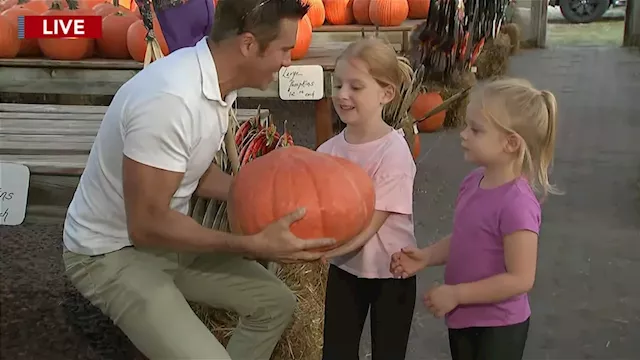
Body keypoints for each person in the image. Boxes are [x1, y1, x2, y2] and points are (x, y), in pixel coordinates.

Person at [61, 1, 335, 359]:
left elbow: (193, 168)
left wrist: (258, 193)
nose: (288, 61)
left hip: (158, 241)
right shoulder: (170, 101)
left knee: (276, 304)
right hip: (109, 254)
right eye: (284, 49)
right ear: (248, 45)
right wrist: (252, 245)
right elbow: (145, 225)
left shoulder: (218, 83)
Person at [390, 78, 561, 360]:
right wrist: (426, 256)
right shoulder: (472, 182)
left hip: (499, 328)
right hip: (464, 320)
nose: (463, 134)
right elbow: (466, 238)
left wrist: (457, 294)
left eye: (476, 130)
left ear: (511, 143)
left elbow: (520, 278)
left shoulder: (517, 204)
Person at [316, 37, 418, 360]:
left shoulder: (394, 152)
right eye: (338, 84)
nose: (343, 95)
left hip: (392, 274)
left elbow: (370, 223)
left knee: (388, 354)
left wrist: (324, 250)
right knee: (336, 352)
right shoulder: (327, 152)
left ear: (385, 94)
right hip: (346, 271)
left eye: (356, 87)